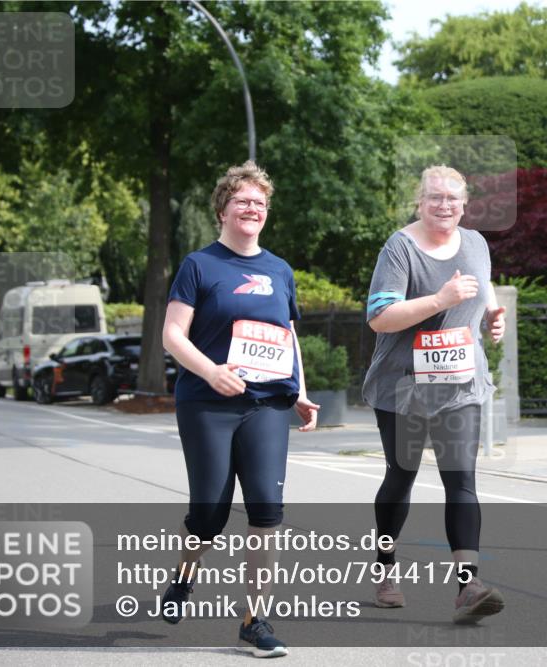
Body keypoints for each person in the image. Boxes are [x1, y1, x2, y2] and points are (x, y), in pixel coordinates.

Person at [160, 160, 319, 657]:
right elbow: (172, 336)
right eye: (243, 201)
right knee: (209, 513)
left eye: (261, 203)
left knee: (266, 513)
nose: (253, 209)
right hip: (207, 403)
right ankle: (184, 576)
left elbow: (287, 335)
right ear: (223, 209)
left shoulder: (279, 270)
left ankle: (254, 619)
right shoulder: (199, 265)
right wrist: (211, 371)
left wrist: (300, 391)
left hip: (267, 405)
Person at [362, 165, 507, 624]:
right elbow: (380, 318)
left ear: (465, 205)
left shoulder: (477, 244)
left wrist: (492, 317)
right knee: (401, 478)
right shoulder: (399, 248)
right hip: (403, 385)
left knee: (460, 479)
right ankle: (385, 567)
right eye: (435, 198)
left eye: (452, 199)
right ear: (419, 202)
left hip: (460, 384)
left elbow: (483, 292)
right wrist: (441, 300)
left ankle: (469, 586)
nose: (444, 206)